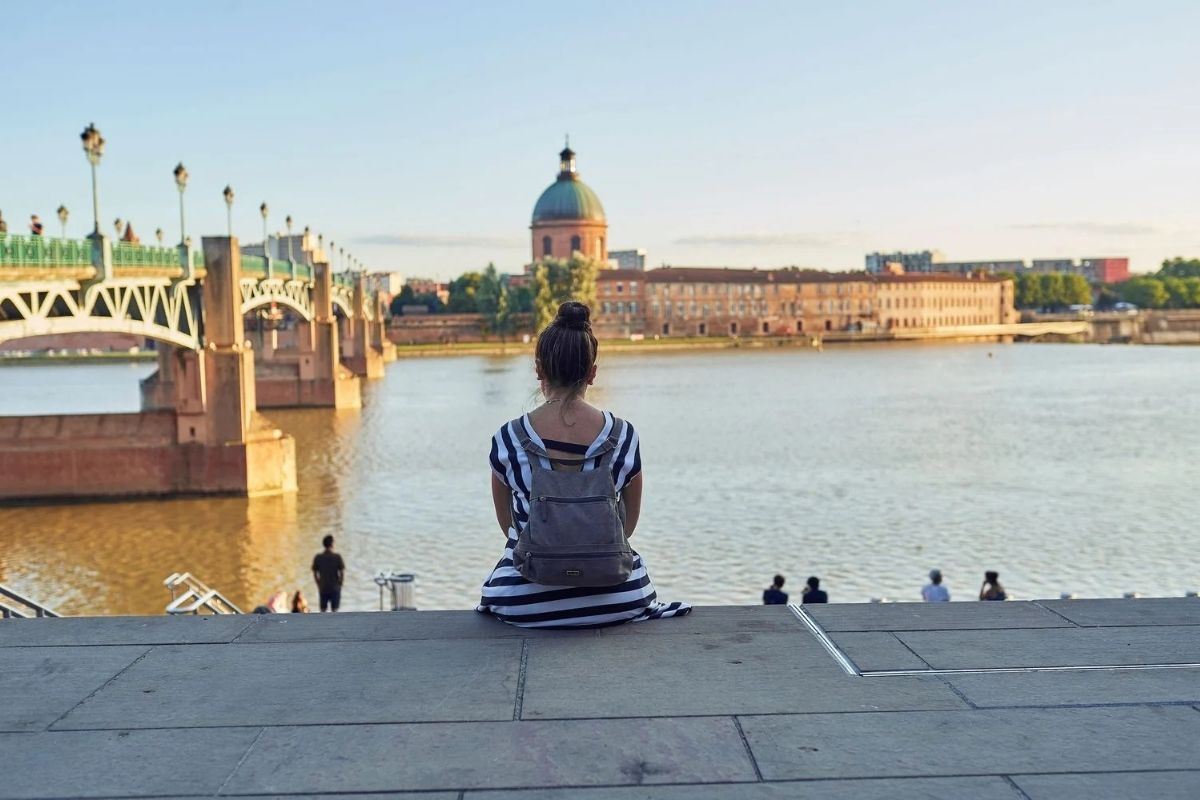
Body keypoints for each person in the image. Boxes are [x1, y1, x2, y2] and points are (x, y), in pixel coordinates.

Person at [477, 301, 690, 628]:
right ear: (592, 372)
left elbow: (510, 529)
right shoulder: (623, 436)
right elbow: (627, 527)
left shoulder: (508, 438)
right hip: (619, 598)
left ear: (539, 369)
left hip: (523, 601)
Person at [311, 535, 345, 612]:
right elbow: (342, 572)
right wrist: (340, 584)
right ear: (332, 544)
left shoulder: (318, 557)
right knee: (335, 611)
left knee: (323, 611)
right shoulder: (337, 557)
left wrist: (318, 583)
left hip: (323, 587)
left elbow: (314, 572)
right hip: (335, 588)